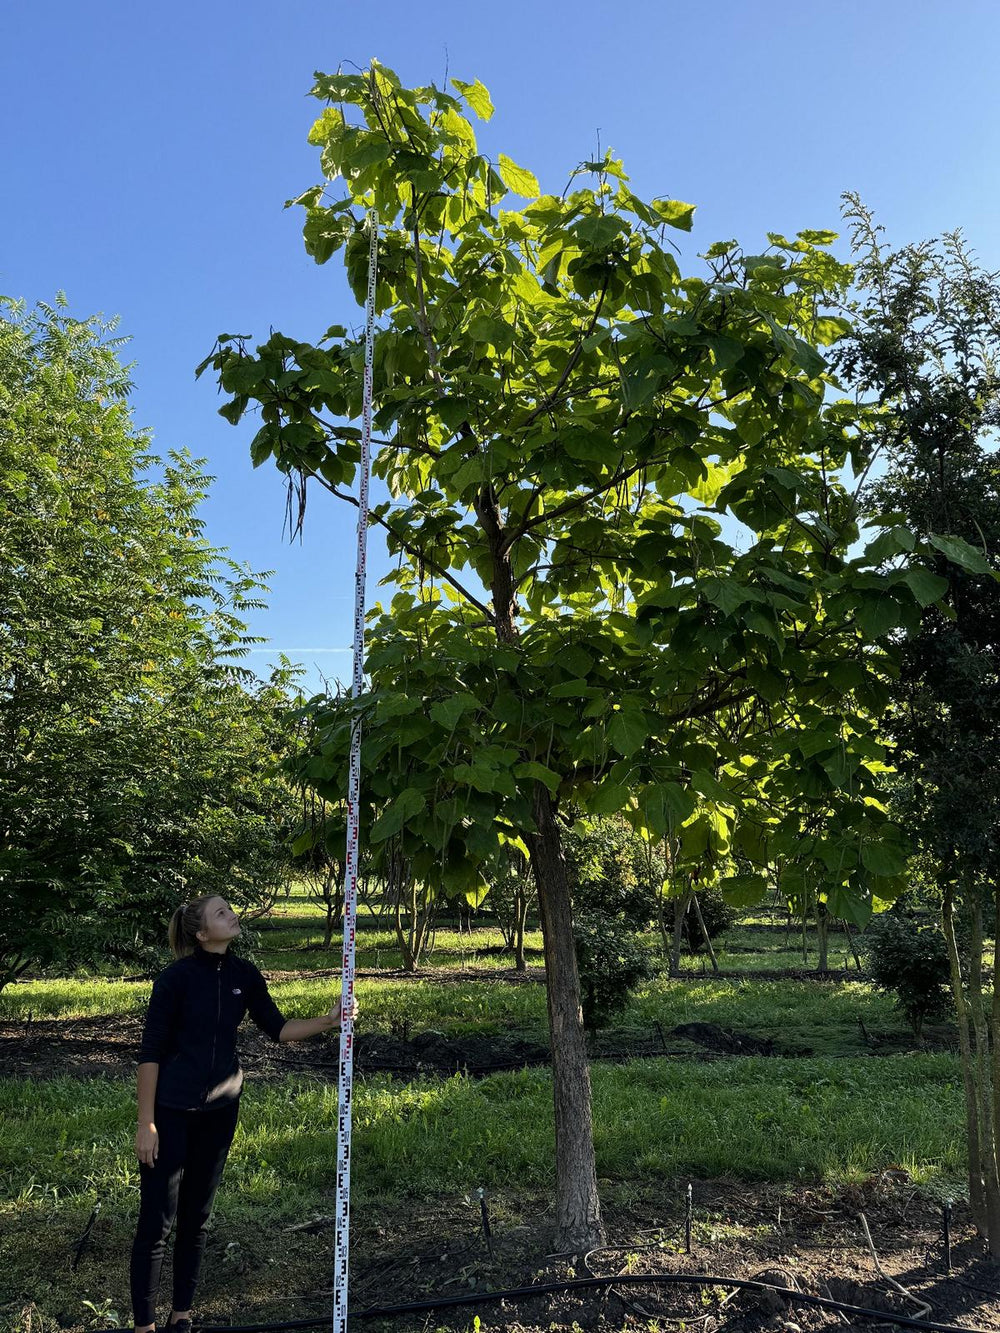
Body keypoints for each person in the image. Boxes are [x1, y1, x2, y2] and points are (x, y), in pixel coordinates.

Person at [130, 894, 357, 1333]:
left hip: (221, 1112)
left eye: (231, 909)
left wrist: (328, 1021)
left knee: (196, 1217)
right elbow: (150, 1053)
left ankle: (181, 1316)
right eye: (222, 912)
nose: (232, 915)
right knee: (157, 1221)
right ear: (200, 933)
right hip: (171, 1112)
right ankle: (144, 1326)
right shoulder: (174, 979)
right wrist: (147, 1123)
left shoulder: (244, 975)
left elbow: (278, 1029)